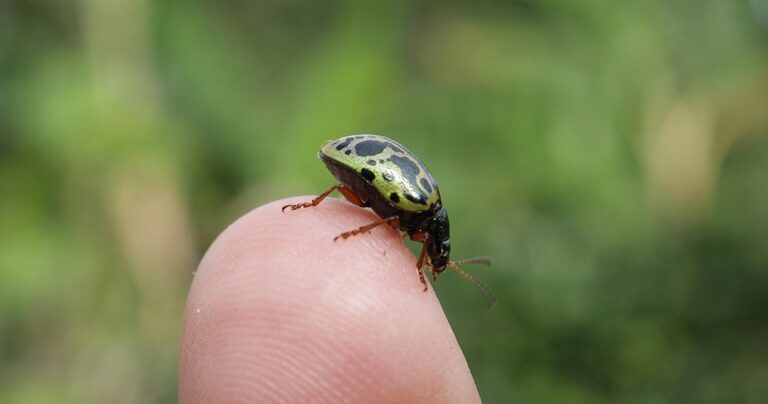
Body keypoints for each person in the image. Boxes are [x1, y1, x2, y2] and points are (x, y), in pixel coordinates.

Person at [179, 197, 481, 402]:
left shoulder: (427, 219)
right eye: (439, 256)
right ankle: (318, 207)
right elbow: (402, 223)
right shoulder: (424, 216)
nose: (435, 261)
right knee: (386, 216)